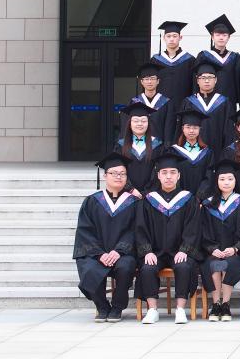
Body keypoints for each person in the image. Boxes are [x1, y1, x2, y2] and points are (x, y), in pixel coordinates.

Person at [135, 152, 201, 324]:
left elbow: (193, 228)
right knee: (147, 268)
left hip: (179, 250)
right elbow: (141, 228)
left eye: (173, 172)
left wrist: (185, 249)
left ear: (179, 175)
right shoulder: (149, 200)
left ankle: (180, 309)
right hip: (155, 251)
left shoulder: (188, 199)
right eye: (164, 173)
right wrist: (147, 251)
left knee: (184, 266)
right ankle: (152, 310)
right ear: (158, 175)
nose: (169, 176)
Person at [74, 153, 139, 323]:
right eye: (114, 173)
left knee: (126, 266)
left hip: (123, 253)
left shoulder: (134, 202)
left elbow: (136, 230)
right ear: (105, 176)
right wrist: (99, 254)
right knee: (89, 267)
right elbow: (85, 231)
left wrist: (119, 251)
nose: (119, 177)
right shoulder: (92, 201)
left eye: (122, 174)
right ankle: (102, 306)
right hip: (97, 253)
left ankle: (117, 307)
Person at [199, 158, 240, 322]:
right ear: (216, 181)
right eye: (222, 179)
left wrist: (235, 248)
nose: (226, 182)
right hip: (213, 251)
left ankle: (226, 304)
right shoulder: (208, 204)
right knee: (213, 264)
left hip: (236, 252)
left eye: (230, 179)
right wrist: (212, 249)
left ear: (235, 181)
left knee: (228, 263)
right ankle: (216, 304)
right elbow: (203, 230)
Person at [180, 60, 233, 152]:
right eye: (203, 78)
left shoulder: (224, 102)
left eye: (210, 77)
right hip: (193, 151)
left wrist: (227, 152)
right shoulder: (188, 102)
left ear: (215, 80)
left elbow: (229, 130)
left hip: (218, 150)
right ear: (197, 80)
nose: (207, 81)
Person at [115, 101, 161, 193]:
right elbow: (118, 169)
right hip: (126, 193)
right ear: (130, 123)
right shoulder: (121, 145)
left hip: (151, 193)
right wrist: (130, 189)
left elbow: (158, 170)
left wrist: (148, 191)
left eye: (143, 121)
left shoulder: (157, 145)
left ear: (148, 123)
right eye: (136, 121)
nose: (140, 124)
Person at [127, 61, 177, 144]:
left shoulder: (166, 103)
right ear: (142, 82)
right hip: (138, 145)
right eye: (146, 79)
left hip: (159, 146)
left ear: (158, 81)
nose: (149, 82)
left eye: (153, 78)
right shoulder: (134, 102)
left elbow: (169, 128)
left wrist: (166, 146)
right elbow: (129, 127)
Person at [198, 14, 240, 110]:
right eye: (218, 35)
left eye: (224, 35)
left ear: (229, 37)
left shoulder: (235, 57)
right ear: (212, 37)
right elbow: (197, 80)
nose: (221, 38)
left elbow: (239, 81)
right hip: (207, 102)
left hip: (230, 100)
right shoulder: (204, 56)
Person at [152, 20, 195, 110]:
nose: (171, 39)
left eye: (175, 36)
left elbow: (194, 85)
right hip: (160, 107)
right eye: (168, 36)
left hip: (183, 106)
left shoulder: (190, 60)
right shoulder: (155, 60)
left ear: (180, 37)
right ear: (164, 38)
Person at [169, 109, 213, 195]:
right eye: (188, 127)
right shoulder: (174, 151)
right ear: (183, 128)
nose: (191, 131)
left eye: (195, 127)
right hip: (180, 196)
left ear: (200, 129)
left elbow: (209, 176)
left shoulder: (207, 153)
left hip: (201, 198)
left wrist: (200, 196)